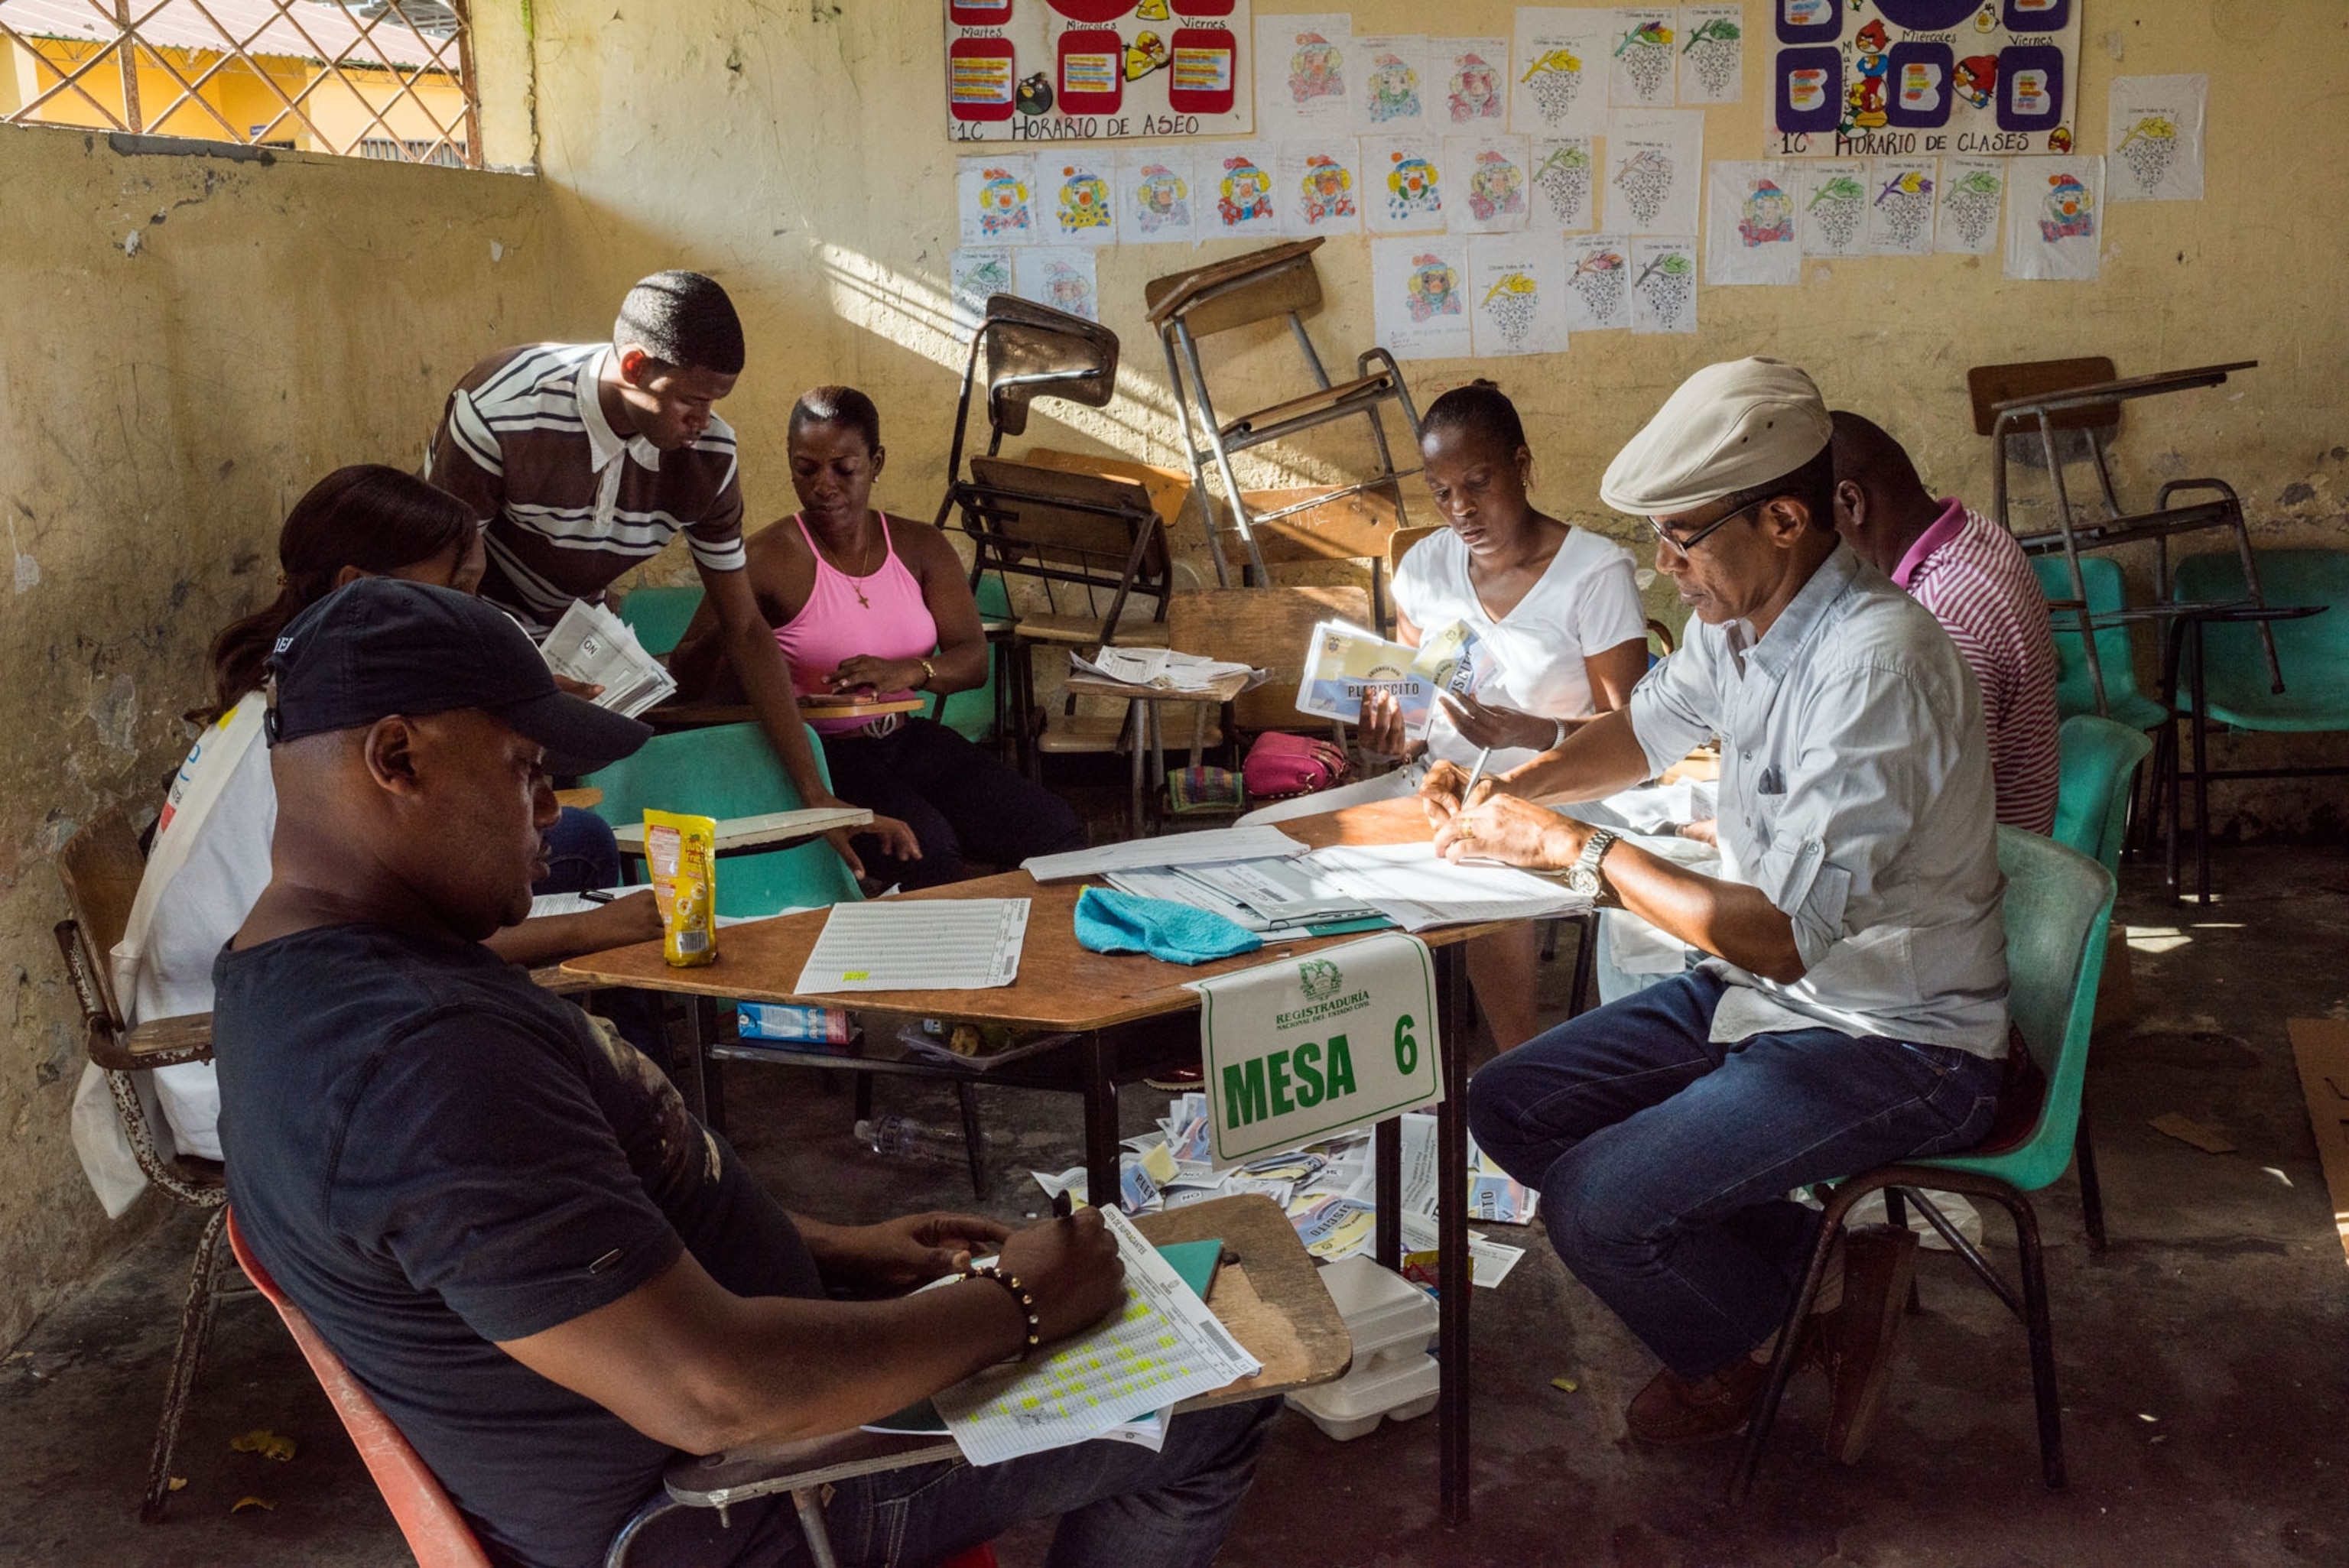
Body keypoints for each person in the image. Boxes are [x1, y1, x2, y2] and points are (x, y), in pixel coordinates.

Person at [215, 578, 1276, 1567]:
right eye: (525, 770)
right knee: (1219, 1395)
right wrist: (1024, 1301)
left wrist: (830, 1248)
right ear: (397, 757)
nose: (550, 812)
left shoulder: (294, 975)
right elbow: (713, 1392)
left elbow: (547, 1239)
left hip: (727, 1427)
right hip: (736, 1504)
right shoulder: (416, 1060)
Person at [1430, 359, 2010, 1460]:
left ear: (1785, 517)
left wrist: (1578, 847)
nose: (1665, 563)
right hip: (1773, 994)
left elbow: (1784, 932)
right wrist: (1518, 789)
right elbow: (1643, 728)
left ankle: (1752, 1343)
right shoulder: (1740, 620)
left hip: (1898, 1037)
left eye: (1682, 536)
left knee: (1598, 1208)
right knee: (1510, 1103)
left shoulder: (1876, 660)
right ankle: (1818, 1279)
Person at [117, 466, 661, 1167]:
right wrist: (591, 930)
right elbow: (364, 949)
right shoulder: (302, 754)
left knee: (578, 840)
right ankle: (642, 1148)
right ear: (358, 593)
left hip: (273, 1032)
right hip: (244, 1076)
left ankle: (645, 1137)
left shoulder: (287, 708)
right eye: (458, 590)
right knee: (580, 957)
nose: (477, 610)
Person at [426, 271, 914, 878]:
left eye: (716, 403)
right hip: (474, 645)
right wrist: (517, 674)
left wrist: (814, 795)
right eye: (690, 400)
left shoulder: (707, 459)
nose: (704, 421)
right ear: (633, 366)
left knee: (567, 843)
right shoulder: (499, 410)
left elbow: (745, 629)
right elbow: (440, 589)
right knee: (494, 845)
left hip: (577, 652)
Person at [1244, 380, 1649, 1047]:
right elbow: (1412, 708)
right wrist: (1387, 738)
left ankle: (1513, 1061)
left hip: (1558, 786)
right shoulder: (1428, 568)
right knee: (1267, 834)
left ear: (1522, 467)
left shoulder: (1594, 572)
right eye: (1441, 491)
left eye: (1478, 483)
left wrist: (1535, 730)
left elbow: (1635, 733)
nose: (1460, 508)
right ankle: (1343, 1048)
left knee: (1478, 860)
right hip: (1439, 783)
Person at [668, 385, 1084, 888]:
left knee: (1056, 831)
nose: (824, 486)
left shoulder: (920, 546)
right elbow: (685, 674)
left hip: (905, 737)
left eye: (844, 468)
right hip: (823, 753)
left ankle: (1015, 940)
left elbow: (972, 660)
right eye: (806, 469)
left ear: (876, 461)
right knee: (925, 851)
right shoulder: (765, 557)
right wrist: (739, 624)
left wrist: (910, 671)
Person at [1830, 409, 2061, 834]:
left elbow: (1925, 813)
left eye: (1819, 532)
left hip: (1988, 874)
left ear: (1852, 503)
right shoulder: (1978, 533)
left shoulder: (1939, 614)